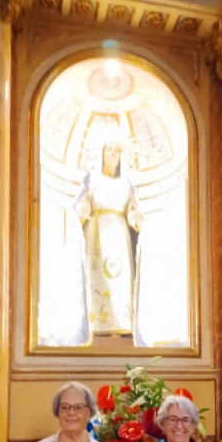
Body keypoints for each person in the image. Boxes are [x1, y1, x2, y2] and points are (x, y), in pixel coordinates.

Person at [74, 142, 143, 338]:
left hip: (119, 236)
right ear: (101, 153)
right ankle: (96, 329)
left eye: (117, 150)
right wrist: (83, 209)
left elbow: (131, 209)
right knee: (97, 276)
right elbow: (83, 202)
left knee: (119, 278)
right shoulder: (93, 181)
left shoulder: (125, 184)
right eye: (109, 149)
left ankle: (120, 326)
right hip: (97, 235)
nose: (114, 153)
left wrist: (136, 218)